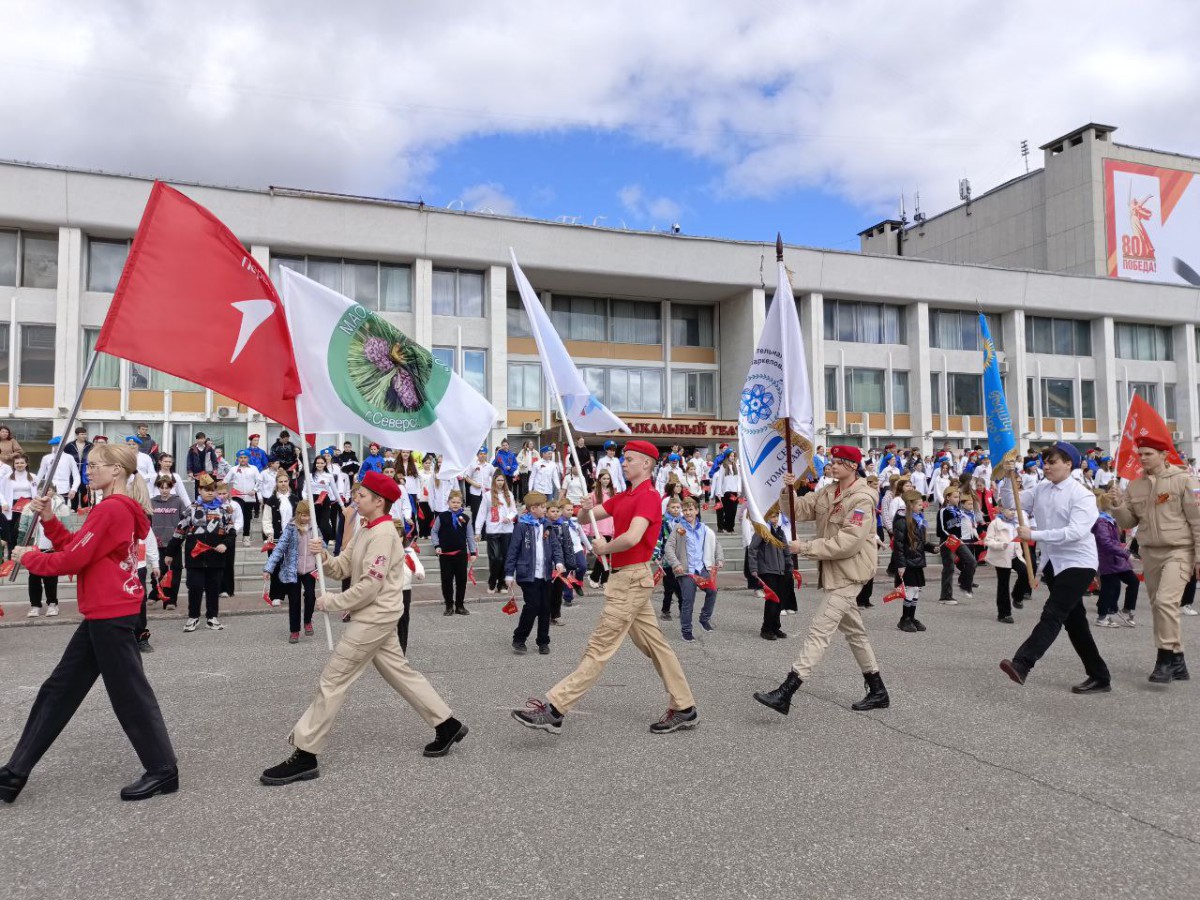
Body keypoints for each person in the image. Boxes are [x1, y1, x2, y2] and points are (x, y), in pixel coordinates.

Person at [259, 472, 468, 786]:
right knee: (400, 672)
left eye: (362, 495)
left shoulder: (383, 534)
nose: (355, 499)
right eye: (356, 494)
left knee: (332, 680)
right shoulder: (366, 528)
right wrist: (324, 556)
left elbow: (371, 585)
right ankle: (447, 724)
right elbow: (343, 566)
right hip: (375, 615)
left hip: (374, 617)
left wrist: (333, 601)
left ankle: (305, 753)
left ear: (379, 501)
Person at [0, 442, 178, 805]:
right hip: (105, 610)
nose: (88, 470)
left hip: (111, 612)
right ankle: (14, 774)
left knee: (129, 697)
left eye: (96, 465)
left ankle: (163, 770)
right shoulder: (112, 508)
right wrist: (49, 518)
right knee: (58, 691)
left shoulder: (112, 509)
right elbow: (78, 547)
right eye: (89, 465)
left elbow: (71, 560)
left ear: (117, 470)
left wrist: (30, 556)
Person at [511, 440, 698, 735]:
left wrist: (605, 547)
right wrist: (585, 509)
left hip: (631, 579)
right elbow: (586, 518)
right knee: (657, 647)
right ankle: (685, 707)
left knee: (599, 647)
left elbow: (634, 537)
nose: (624, 463)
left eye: (630, 459)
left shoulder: (648, 496)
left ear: (647, 464)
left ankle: (556, 709)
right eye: (623, 458)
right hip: (627, 580)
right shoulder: (624, 496)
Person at [753, 445, 891, 716]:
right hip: (835, 571)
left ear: (852, 466)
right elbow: (799, 510)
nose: (832, 466)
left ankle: (786, 691)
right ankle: (878, 690)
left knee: (820, 629)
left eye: (838, 462)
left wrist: (804, 548)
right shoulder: (830, 491)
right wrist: (789, 491)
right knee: (855, 633)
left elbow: (849, 542)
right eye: (832, 461)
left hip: (850, 572)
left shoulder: (862, 499)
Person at [997, 442, 1112, 694]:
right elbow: (1011, 502)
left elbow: (1077, 531)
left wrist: (1035, 534)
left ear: (1068, 464)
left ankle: (1022, 663)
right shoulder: (1041, 488)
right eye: (1045, 462)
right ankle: (1100, 676)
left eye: (1053, 462)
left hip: (1078, 562)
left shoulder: (1082, 494)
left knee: (1053, 613)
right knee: (1076, 623)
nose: (1046, 466)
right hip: (1053, 563)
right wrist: (1008, 477)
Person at [1108, 434, 1199, 683]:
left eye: (1148, 453)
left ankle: (1165, 659)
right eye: (1141, 453)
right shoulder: (1135, 485)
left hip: (1179, 550)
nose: (1143, 458)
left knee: (1166, 602)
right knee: (1160, 606)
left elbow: (1197, 519)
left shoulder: (1183, 480)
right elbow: (1129, 522)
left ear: (1164, 455)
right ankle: (1178, 660)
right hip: (1149, 551)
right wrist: (1117, 506)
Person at [166, 473, 234, 633]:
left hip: (216, 558)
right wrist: (170, 553)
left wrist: (225, 544)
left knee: (213, 589)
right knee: (195, 587)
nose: (210, 492)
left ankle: (212, 617)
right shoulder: (191, 509)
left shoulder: (224, 510)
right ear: (200, 490)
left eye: (212, 490)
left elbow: (231, 533)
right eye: (206, 489)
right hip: (195, 557)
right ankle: (193, 617)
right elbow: (179, 531)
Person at [506, 491, 565, 655]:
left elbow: (555, 546)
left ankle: (543, 642)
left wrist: (559, 562)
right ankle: (519, 638)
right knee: (532, 606)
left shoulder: (547, 524)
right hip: (527, 574)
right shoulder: (521, 526)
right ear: (533, 508)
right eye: (542, 507)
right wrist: (509, 573)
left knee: (545, 608)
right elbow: (513, 551)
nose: (545, 509)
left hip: (545, 574)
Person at [665, 496, 723, 642]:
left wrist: (719, 559)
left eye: (690, 509)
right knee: (688, 601)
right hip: (686, 571)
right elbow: (669, 548)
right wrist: (676, 564)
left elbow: (716, 544)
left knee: (712, 591)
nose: (688, 512)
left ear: (696, 510)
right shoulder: (679, 528)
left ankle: (704, 619)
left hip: (702, 568)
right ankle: (686, 630)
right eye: (685, 510)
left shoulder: (704, 529)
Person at [264, 500, 320, 643]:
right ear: (298, 514)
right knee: (294, 601)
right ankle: (294, 631)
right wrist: (269, 568)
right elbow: (280, 548)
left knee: (310, 595)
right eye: (303, 515)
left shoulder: (314, 528)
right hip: (292, 570)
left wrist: (321, 546)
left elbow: (322, 546)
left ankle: (307, 620)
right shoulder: (290, 528)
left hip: (310, 568)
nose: (306, 518)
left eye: (309, 515)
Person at [748, 508, 795, 640]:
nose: (774, 519)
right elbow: (752, 549)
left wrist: (790, 567)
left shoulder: (779, 531)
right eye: (772, 516)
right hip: (767, 570)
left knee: (779, 600)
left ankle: (776, 627)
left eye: (776, 516)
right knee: (772, 601)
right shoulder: (762, 531)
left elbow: (785, 550)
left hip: (781, 570)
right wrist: (754, 568)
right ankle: (766, 629)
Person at [1093, 492, 1138, 628]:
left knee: (1133, 581)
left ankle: (1126, 609)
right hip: (1108, 559)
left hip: (1116, 559)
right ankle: (1102, 616)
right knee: (1109, 588)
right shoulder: (1101, 521)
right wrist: (1125, 554)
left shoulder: (1109, 520)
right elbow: (1106, 543)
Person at [24, 487, 69, 617]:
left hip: (51, 547)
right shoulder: (29, 507)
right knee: (34, 579)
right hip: (35, 547)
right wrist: (23, 545)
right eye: (42, 490)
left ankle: (52, 604)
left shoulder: (62, 507)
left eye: (49, 489)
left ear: (54, 491)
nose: (46, 492)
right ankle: (35, 605)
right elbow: (22, 528)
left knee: (50, 579)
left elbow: (67, 527)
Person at [431, 489, 476, 616]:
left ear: (461, 503)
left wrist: (472, 552)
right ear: (448, 502)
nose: (455, 504)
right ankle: (449, 605)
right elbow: (434, 532)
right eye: (453, 502)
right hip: (446, 555)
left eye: (458, 502)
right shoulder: (442, 516)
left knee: (461, 580)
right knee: (447, 580)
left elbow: (470, 536)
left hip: (461, 554)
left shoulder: (465, 518)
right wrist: (437, 545)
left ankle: (460, 605)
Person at [891, 489, 928, 633]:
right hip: (907, 562)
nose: (922, 506)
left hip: (917, 561)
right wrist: (900, 565)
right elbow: (898, 546)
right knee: (910, 589)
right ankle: (904, 619)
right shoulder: (901, 521)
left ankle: (912, 617)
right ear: (910, 505)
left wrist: (932, 548)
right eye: (919, 504)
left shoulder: (918, 519)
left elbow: (920, 543)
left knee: (916, 590)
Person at [984, 507, 1027, 624]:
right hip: (1001, 557)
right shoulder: (995, 523)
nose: (1013, 512)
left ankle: (1017, 596)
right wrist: (999, 545)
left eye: (1014, 510)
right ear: (1002, 510)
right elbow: (987, 540)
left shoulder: (1016, 523)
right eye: (1010, 509)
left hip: (1015, 555)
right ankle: (1004, 614)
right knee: (1003, 584)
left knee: (1025, 572)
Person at [477, 472, 517, 593]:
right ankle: (492, 581)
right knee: (496, 558)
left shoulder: (509, 494)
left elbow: (514, 511)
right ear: (494, 481)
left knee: (505, 558)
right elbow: (482, 513)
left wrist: (509, 518)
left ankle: (502, 584)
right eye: (498, 480)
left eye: (502, 480)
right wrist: (478, 531)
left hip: (507, 530)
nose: (500, 483)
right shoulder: (488, 495)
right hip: (493, 530)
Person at [150, 476, 186, 610]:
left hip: (173, 543)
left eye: (167, 488)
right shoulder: (152, 502)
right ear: (158, 488)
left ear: (171, 488)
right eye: (162, 487)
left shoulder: (178, 502)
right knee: (159, 571)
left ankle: (171, 601)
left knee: (175, 573)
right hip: (157, 543)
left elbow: (185, 520)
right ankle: (156, 593)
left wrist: (181, 536)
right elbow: (147, 520)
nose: (164, 490)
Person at [936, 487, 975, 604]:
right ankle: (945, 596)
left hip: (958, 541)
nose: (958, 499)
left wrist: (960, 538)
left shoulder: (958, 510)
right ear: (947, 498)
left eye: (958, 496)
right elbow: (941, 530)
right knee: (949, 568)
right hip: (947, 541)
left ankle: (964, 585)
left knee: (971, 561)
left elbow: (959, 527)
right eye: (955, 497)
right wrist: (954, 538)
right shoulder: (943, 511)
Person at [583, 470, 616, 588]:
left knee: (607, 554)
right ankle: (596, 577)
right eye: (604, 478)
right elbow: (588, 512)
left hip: (609, 526)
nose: (606, 481)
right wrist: (586, 529)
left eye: (608, 478)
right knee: (602, 554)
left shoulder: (613, 493)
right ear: (599, 479)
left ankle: (603, 579)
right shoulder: (593, 495)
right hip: (598, 527)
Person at [228, 452, 260, 544]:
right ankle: (232, 535)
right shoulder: (233, 469)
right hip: (237, 497)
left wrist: (254, 490)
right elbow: (226, 481)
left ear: (248, 458)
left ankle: (246, 537)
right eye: (240, 457)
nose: (243, 459)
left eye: (245, 457)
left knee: (247, 517)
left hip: (249, 497)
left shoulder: (254, 469)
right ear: (238, 459)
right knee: (234, 515)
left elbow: (259, 480)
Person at [36, 438, 81, 505]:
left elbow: (76, 475)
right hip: (48, 489)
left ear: (64, 445)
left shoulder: (69, 457)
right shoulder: (46, 458)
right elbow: (40, 475)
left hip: (63, 489)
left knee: (62, 511)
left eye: (59, 445)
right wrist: (35, 489)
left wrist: (74, 489)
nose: (57, 447)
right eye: (55, 445)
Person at [62, 426, 93, 510]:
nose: (84, 436)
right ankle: (73, 507)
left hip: (85, 470)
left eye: (85, 434)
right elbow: (65, 457)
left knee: (84, 488)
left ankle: (85, 507)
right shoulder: (69, 446)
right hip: (73, 470)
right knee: (74, 488)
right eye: (82, 434)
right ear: (77, 435)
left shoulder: (90, 445)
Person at [464, 448, 494, 522]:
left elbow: (495, 476)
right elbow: (466, 477)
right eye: (480, 454)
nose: (482, 455)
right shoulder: (473, 465)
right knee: (475, 511)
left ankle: (484, 530)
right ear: (477, 455)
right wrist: (474, 484)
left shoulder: (489, 466)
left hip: (486, 492)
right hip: (475, 492)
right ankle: (475, 530)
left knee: (486, 511)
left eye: (484, 454)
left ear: (486, 455)